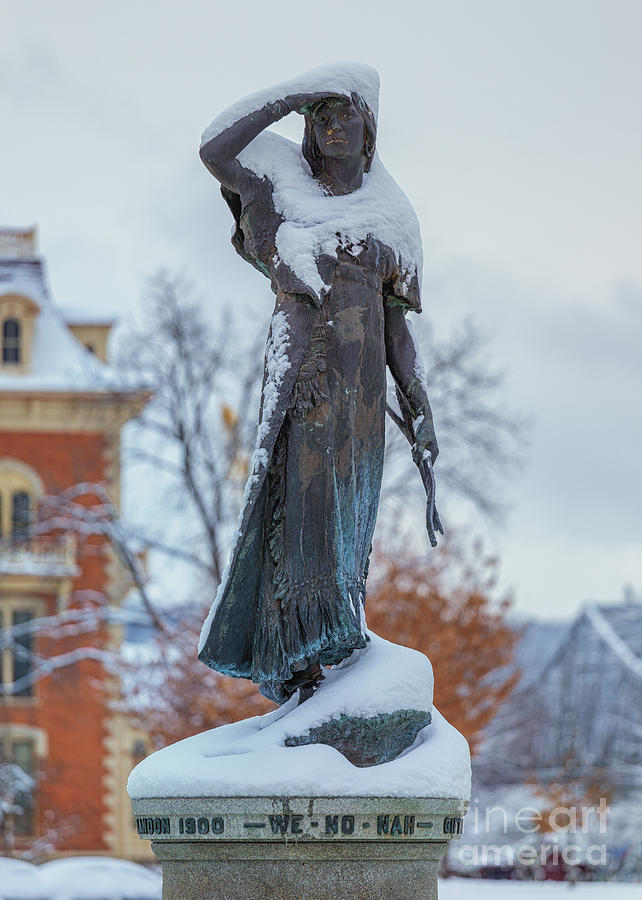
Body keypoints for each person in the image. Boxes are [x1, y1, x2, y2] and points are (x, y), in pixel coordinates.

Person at [198, 65, 439, 704]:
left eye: (344, 114)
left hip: (359, 401)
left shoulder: (393, 218)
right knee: (298, 515)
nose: (331, 127)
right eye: (320, 118)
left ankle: (331, 649)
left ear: (369, 129)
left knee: (345, 525)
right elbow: (213, 148)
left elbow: (397, 333)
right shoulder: (281, 186)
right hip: (304, 383)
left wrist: (417, 402)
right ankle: (295, 662)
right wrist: (295, 96)